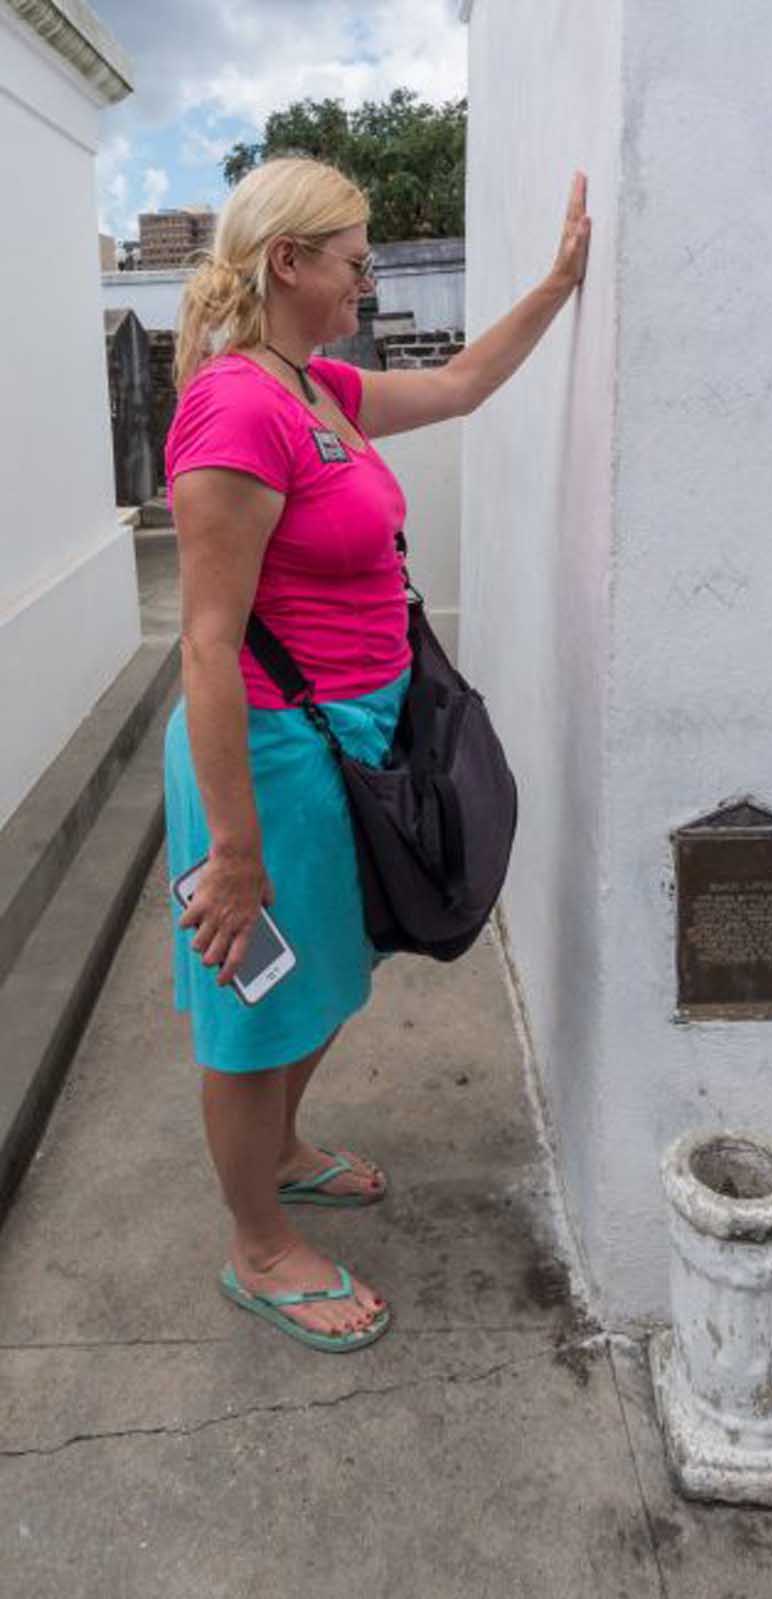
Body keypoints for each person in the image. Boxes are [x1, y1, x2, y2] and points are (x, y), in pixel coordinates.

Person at [163, 155, 591, 1352]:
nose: (368, 274)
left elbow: (458, 384)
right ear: (289, 262)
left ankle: (285, 1155)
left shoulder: (316, 389)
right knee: (253, 1009)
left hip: (348, 743)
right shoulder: (237, 407)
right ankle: (257, 1246)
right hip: (265, 755)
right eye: (354, 257)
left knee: (327, 975)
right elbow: (204, 646)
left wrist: (558, 284)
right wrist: (235, 851)